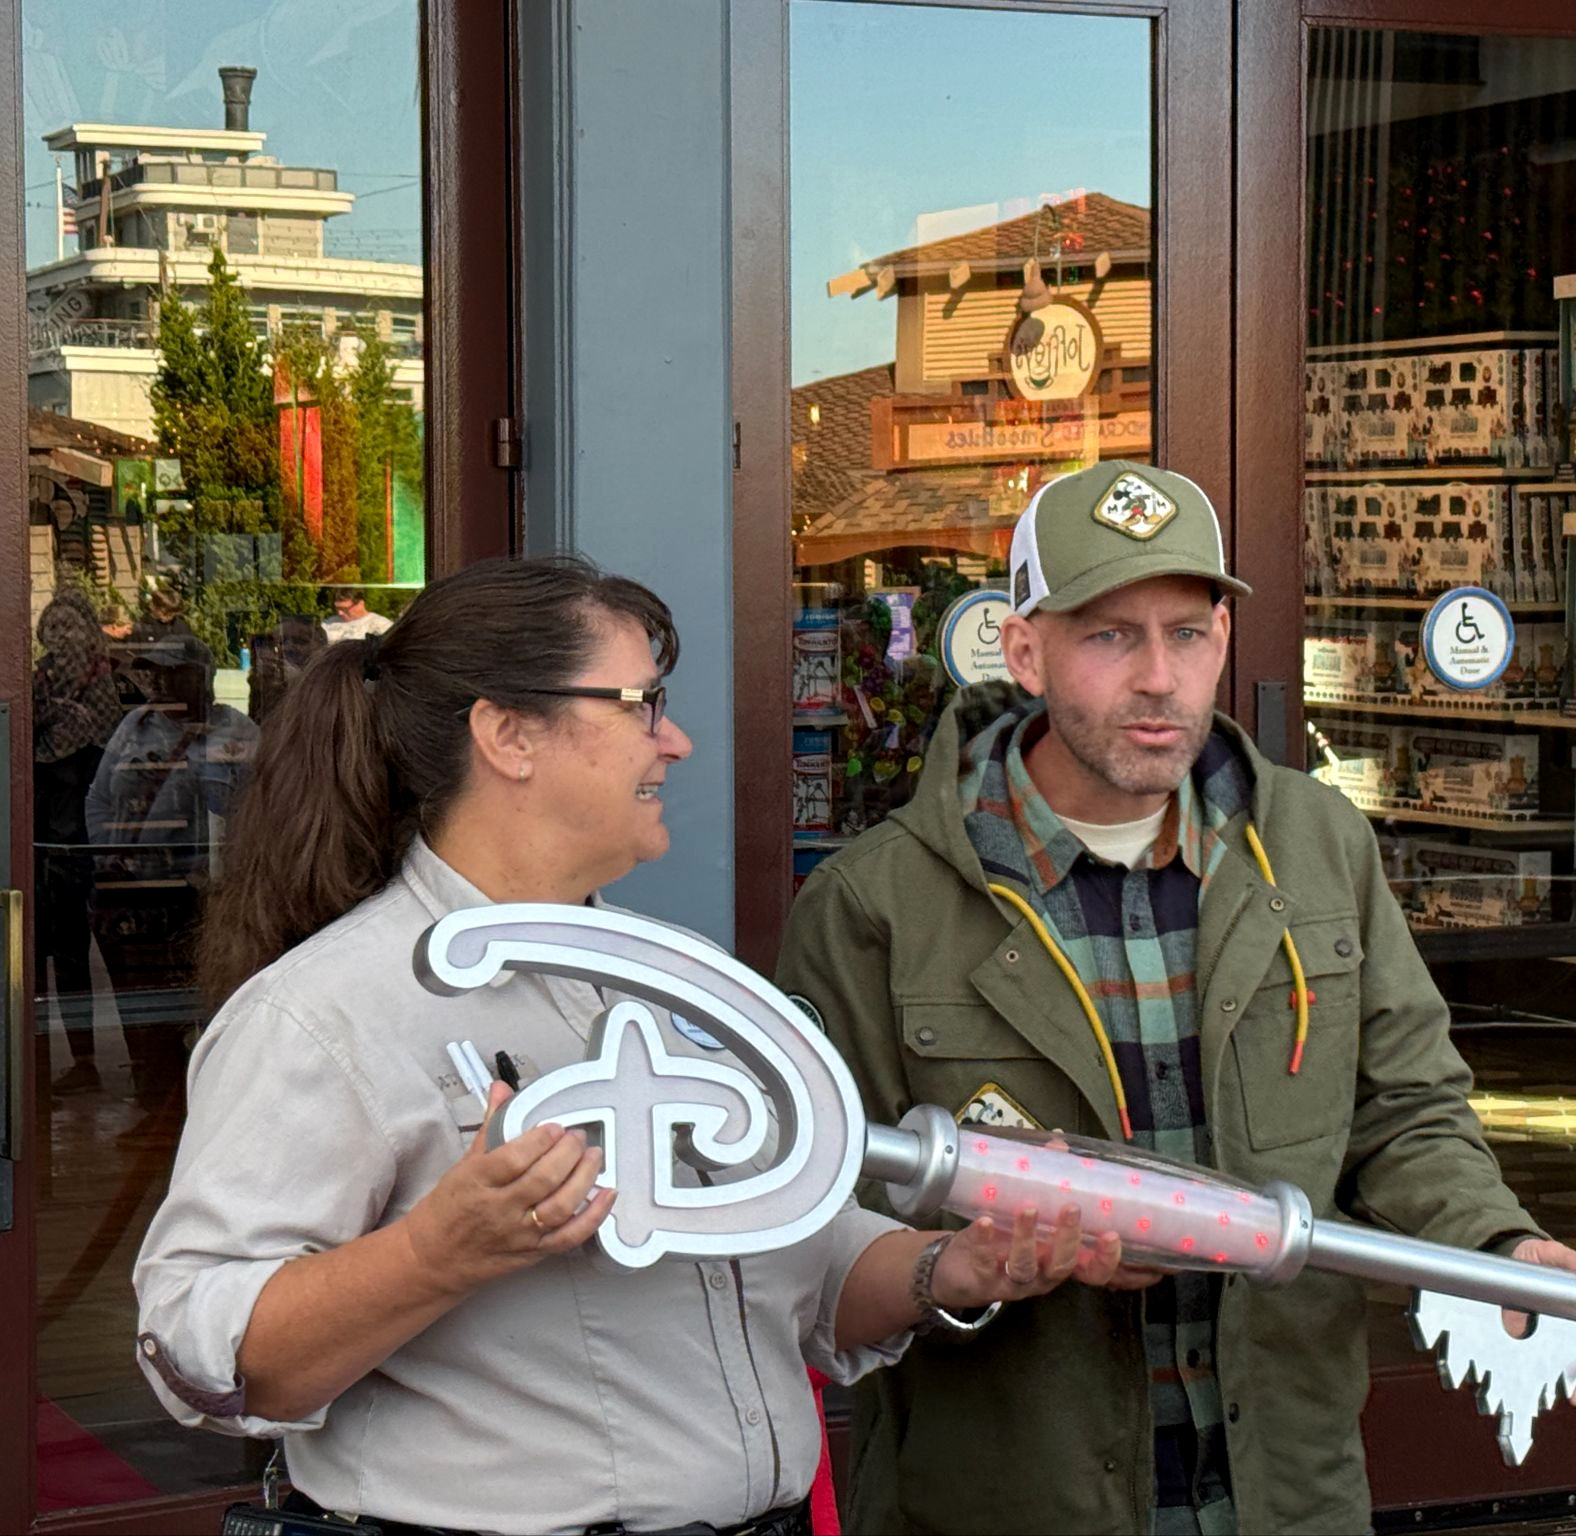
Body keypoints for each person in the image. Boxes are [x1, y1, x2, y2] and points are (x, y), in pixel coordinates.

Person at [134, 556, 1129, 1536]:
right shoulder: (326, 1012)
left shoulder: (684, 988)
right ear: (509, 735)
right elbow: (199, 1353)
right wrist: (437, 1252)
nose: (678, 742)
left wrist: (952, 1267)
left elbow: (803, 1269)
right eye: (643, 706)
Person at [776, 461, 1576, 1536]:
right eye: (1110, 635)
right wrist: (974, 1259)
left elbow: (1405, 1111)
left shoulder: (1317, 846)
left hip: (1283, 1494)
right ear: (1024, 650)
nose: (1160, 678)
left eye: (1187, 634)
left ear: (1224, 639)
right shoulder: (873, 904)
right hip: (1007, 1501)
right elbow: (822, 1231)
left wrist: (1495, 1247)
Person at [86, 632, 259, 1125]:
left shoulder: (239, 733)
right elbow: (98, 797)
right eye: (155, 672)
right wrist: (108, 856)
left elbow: (254, 814)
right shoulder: (134, 727)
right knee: (137, 1008)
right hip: (132, 893)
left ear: (201, 676)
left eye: (171, 672)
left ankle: (198, 1119)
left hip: (200, 899)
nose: (160, 683)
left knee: (198, 1008)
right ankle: (151, 1109)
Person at [31, 590, 128, 1094]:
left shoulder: (101, 682)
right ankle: (28, 1070)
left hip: (76, 842)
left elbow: (96, 740)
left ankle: (84, 1061)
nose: (60, 636)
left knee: (72, 955)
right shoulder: (37, 680)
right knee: (28, 957)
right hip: (36, 838)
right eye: (53, 627)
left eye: (70, 626)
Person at [322, 583, 395, 642]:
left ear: (360, 604)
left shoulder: (381, 626)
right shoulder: (327, 623)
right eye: (337, 608)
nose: (340, 613)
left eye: (345, 609)